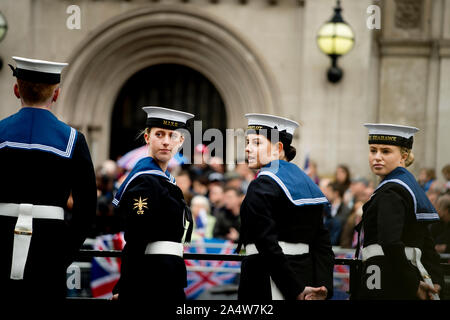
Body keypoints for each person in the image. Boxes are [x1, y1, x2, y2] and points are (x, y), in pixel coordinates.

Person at [0, 56, 97, 300]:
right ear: (56, 95)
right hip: (50, 245)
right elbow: (86, 209)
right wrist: (63, 253)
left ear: (15, 90)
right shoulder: (74, 140)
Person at [236, 113, 334, 301]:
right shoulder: (308, 183)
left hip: (268, 280)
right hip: (305, 278)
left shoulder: (262, 184)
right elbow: (322, 243)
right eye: (247, 142)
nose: (247, 149)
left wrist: (294, 288)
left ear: (278, 148)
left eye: (256, 143)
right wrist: (323, 287)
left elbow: (266, 243)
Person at [111, 106, 194, 302]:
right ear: (147, 138)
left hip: (168, 275)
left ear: (181, 141)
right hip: (151, 280)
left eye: (173, 136)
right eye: (159, 134)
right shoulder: (145, 180)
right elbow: (137, 238)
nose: (166, 141)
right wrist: (125, 287)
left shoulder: (164, 179)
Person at [354, 123, 444, 300]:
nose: (377, 157)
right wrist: (436, 280)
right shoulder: (408, 185)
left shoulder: (391, 191)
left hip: (386, 277)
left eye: (386, 151)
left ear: (403, 156)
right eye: (373, 150)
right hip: (406, 274)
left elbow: (390, 242)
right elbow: (427, 243)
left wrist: (412, 284)